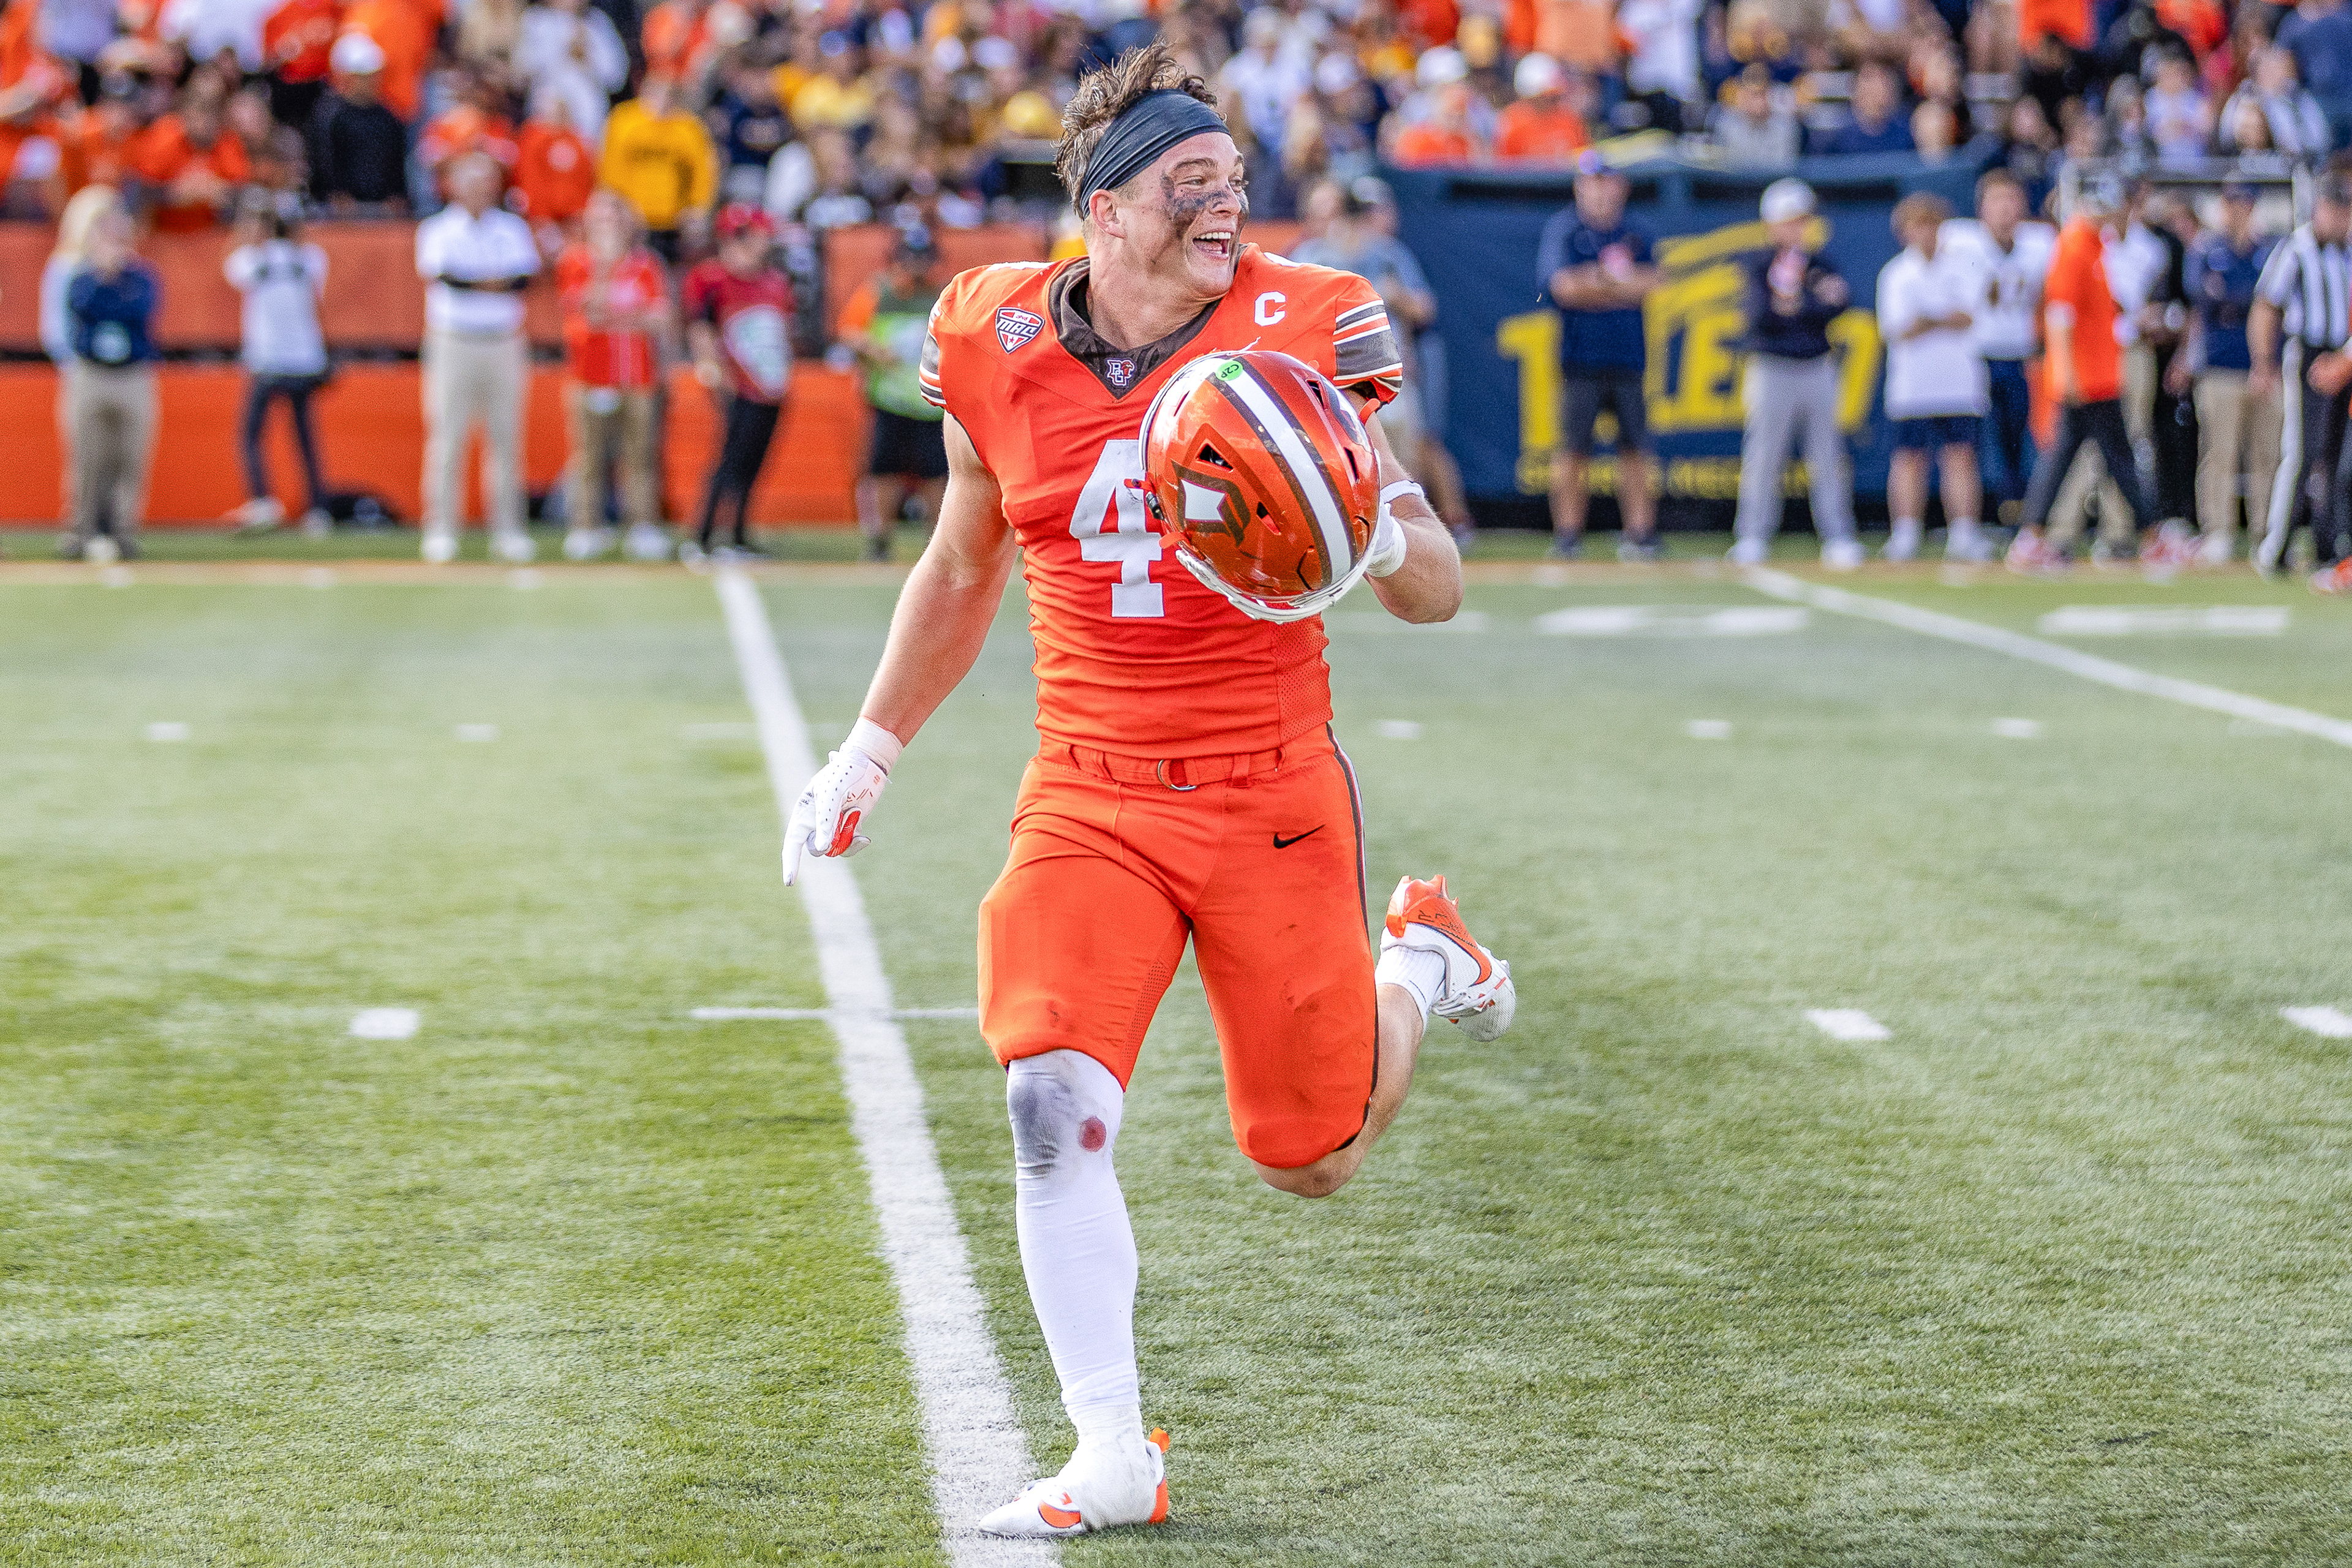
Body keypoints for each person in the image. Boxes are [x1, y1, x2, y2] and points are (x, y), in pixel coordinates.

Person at [782, 42, 1508, 1539]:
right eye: (1187, 191)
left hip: (1267, 787)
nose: (1221, 215)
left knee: (1308, 1157)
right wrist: (868, 747)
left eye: (1232, 189)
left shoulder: (1307, 323)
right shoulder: (991, 329)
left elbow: (1435, 589)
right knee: (1048, 1095)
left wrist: (1352, 523)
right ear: (1098, 209)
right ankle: (1111, 1445)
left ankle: (1421, 965)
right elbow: (967, 557)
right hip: (1088, 784)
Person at [2008, 177, 2169, 571]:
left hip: (2100, 372)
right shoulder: (2075, 245)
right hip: (2086, 377)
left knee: (2099, 456)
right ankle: (2149, 534)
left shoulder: (2096, 245)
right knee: (2105, 457)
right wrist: (2066, 372)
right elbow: (2059, 313)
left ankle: (2035, 536)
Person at [1290, 179, 1462, 540]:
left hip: (1383, 376)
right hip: (1326, 380)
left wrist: (1397, 298)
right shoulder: (1310, 257)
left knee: (1403, 457)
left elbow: (1422, 309)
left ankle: (1414, 531)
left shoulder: (1385, 254)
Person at [413, 151, 540, 564]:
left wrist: (479, 283)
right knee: (448, 438)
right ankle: (442, 529)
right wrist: (493, 284)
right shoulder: (438, 230)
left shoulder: (512, 228)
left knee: (506, 438)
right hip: (453, 339)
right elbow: (447, 279)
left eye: (486, 179)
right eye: (470, 179)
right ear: (453, 184)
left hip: (503, 339)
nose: (480, 187)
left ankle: (508, 530)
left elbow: (523, 281)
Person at [1730, 179, 1863, 567]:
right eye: (1790, 220)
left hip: (1817, 366)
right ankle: (1752, 535)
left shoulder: (1820, 262)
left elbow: (1838, 306)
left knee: (1828, 456)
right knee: (1764, 456)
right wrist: (1809, 303)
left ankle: (1838, 535)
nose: (1797, 228)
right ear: (1772, 223)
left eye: (1801, 220)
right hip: (1771, 367)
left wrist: (1798, 305)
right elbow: (1760, 315)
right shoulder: (1758, 264)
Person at [1537, 150, 1662, 559]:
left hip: (1628, 358)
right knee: (1574, 449)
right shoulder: (1566, 230)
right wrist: (1612, 284)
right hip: (1580, 360)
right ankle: (1569, 534)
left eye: (1607, 182)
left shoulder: (1636, 230)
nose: (1600, 191)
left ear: (1620, 187)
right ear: (1580, 187)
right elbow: (1562, 288)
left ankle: (1640, 533)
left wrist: (1595, 284)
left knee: (1635, 449)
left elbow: (1652, 282)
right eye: (1592, 183)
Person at [556, 189, 669, 562]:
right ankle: (587, 526)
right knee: (588, 456)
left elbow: (660, 319)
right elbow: (586, 311)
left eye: (613, 218)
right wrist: (606, 270)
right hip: (590, 375)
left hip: (638, 375)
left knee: (641, 455)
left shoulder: (645, 265)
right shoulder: (575, 262)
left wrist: (616, 318)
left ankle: (643, 526)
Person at [2248, 177, 2352, 586]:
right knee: (2302, 453)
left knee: (2334, 456)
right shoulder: (2296, 247)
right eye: (2334, 209)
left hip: (2343, 357)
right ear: (2318, 208)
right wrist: (2263, 361)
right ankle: (2275, 546)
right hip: (2308, 357)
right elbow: (2266, 305)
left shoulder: (2346, 252)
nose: (2340, 218)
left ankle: (2329, 546)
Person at [1876, 194, 1989, 562]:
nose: (1924, 233)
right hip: (1912, 386)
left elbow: (1967, 317)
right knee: (1909, 459)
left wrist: (1927, 320)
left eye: (1931, 224)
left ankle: (1964, 534)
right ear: (1903, 231)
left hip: (1957, 383)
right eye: (1916, 225)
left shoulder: (1963, 267)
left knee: (1960, 458)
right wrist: (1939, 320)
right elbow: (1898, 329)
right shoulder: (1895, 273)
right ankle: (1906, 533)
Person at [1939, 168, 2054, 524]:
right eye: (1997, 200)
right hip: (1974, 356)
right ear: (1981, 207)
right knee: (1969, 445)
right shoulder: (1958, 239)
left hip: (2022, 354)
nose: (2005, 209)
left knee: (2023, 443)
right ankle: (1972, 522)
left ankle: (2022, 514)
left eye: (2012, 199)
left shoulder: (2041, 241)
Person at [681, 202, 792, 563]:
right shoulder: (711, 278)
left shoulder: (773, 281)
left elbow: (780, 331)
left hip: (770, 384)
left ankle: (739, 534)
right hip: (738, 382)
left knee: (754, 462)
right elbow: (701, 329)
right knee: (730, 460)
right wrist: (717, 375)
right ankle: (704, 536)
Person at [2179, 183, 2280, 567]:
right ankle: (2217, 532)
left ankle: (2265, 532)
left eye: (2243, 202)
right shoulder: (2206, 249)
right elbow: (2208, 297)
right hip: (2219, 365)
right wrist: (2247, 299)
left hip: (2265, 365)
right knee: (2218, 453)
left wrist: (2242, 300)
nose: (2236, 209)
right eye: (2230, 202)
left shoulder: (2268, 249)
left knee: (2266, 455)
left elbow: (2267, 299)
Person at [224, 190, 331, 537]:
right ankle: (317, 507)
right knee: (304, 436)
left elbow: (236, 269)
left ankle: (264, 501)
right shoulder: (310, 258)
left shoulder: (251, 260)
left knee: (251, 434)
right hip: (304, 357)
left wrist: (255, 234)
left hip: (268, 358)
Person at [840, 224, 948, 562]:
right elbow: (849, 332)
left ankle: (939, 544)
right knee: (883, 471)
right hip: (888, 399)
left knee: (938, 473)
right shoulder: (879, 292)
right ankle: (878, 542)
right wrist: (872, 350)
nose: (915, 265)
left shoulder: (941, 295)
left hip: (930, 403)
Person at [62, 204, 159, 563]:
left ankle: (123, 531)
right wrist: (104, 280)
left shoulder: (143, 277)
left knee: (130, 457)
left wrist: (115, 284)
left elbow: (137, 312)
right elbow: (82, 309)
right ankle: (80, 530)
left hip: (132, 375)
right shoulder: (83, 278)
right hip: (92, 373)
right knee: (87, 457)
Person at [40, 183, 120, 537]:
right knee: (85, 455)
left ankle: (114, 528)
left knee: (120, 455)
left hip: (122, 368)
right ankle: (81, 528)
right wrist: (73, 363)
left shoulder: (123, 265)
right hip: (84, 369)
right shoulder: (66, 266)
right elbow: (54, 325)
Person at [600, 72, 717, 263]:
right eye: (656, 94)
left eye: (668, 96)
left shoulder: (688, 127)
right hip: (632, 216)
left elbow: (702, 171)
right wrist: (616, 205)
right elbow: (610, 165)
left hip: (673, 218)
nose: (661, 102)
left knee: (669, 268)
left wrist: (698, 207)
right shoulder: (624, 120)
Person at [307, 32, 407, 211]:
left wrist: (396, 194)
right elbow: (323, 161)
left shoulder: (387, 117)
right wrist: (336, 194)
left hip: (381, 208)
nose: (374, 82)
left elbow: (395, 161)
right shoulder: (329, 115)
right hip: (340, 211)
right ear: (347, 77)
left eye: (376, 75)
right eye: (366, 76)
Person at [1493, 51, 1588, 159]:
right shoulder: (1512, 121)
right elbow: (1504, 167)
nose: (1552, 99)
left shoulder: (1569, 120)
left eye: (1554, 94)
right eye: (1546, 95)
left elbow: (1582, 161)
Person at [1819, 60, 1915, 156]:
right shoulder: (1838, 136)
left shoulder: (1905, 133)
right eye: (1869, 79)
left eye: (1883, 80)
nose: (1878, 87)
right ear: (1856, 88)